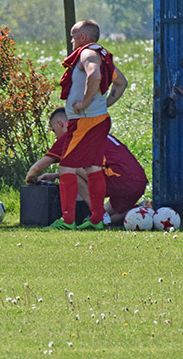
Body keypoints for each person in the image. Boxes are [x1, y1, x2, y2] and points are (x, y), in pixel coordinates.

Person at [46, 20, 128, 230]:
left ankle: (67, 221)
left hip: (85, 122)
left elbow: (95, 75)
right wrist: (105, 103)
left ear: (83, 38)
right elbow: (122, 82)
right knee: (92, 168)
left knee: (66, 167)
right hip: (99, 120)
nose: (71, 41)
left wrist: (85, 102)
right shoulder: (102, 55)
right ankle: (97, 219)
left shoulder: (88, 54)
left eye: (73, 36)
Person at [26, 108, 146, 225]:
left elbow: (38, 168)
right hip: (137, 183)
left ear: (60, 124)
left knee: (68, 167)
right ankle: (142, 209)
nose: (55, 136)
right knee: (107, 219)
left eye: (53, 130)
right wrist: (55, 176)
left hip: (119, 179)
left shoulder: (71, 135)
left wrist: (30, 178)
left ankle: (97, 214)